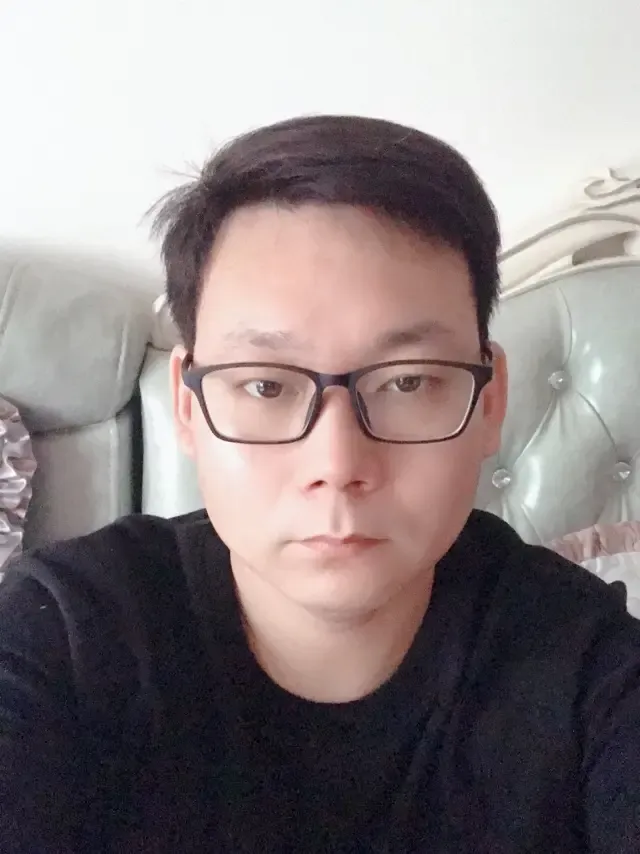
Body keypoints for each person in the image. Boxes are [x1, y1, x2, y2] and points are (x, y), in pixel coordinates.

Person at [0, 115, 638, 854]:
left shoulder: (588, 666)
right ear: (188, 407)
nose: (337, 463)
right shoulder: (64, 637)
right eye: (267, 386)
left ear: (489, 403)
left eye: (407, 381)